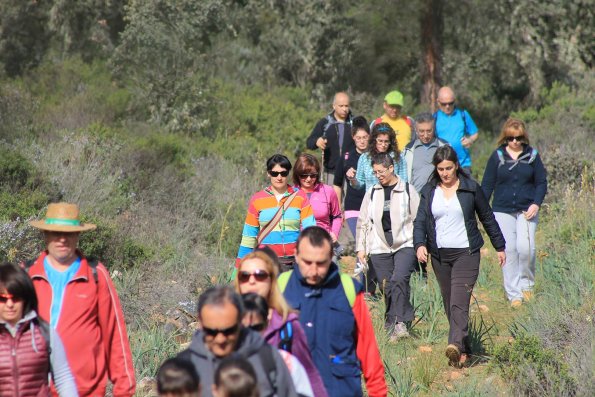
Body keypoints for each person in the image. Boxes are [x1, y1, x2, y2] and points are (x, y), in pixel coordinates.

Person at [27, 202, 136, 396]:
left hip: (84, 390)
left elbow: (115, 336)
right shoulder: (26, 275)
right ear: (45, 235)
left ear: (77, 235)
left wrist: (124, 389)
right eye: (55, 233)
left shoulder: (96, 275)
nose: (62, 239)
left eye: (68, 233)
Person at [413, 146, 505, 367]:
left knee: (459, 301)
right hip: (439, 255)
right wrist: (419, 244)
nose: (445, 173)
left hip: (467, 252)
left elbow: (487, 217)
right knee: (448, 303)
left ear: (456, 166)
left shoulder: (470, 188)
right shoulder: (429, 191)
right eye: (441, 169)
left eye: (449, 168)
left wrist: (500, 246)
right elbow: (420, 221)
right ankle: (464, 350)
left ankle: (454, 343)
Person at [279, 226, 387, 397]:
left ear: (331, 257)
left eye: (321, 263)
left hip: (340, 389)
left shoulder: (348, 289)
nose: (313, 271)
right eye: (307, 262)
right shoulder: (280, 288)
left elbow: (367, 349)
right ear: (296, 255)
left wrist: (378, 392)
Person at [234, 250, 327, 396]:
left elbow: (309, 373)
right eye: (244, 276)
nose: (252, 281)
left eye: (260, 275)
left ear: (271, 280)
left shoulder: (287, 325)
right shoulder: (225, 325)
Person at [177, 286, 297, 397]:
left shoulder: (267, 358)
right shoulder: (184, 366)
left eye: (229, 331)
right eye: (212, 332)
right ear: (200, 322)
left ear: (240, 320)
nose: (221, 339)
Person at [481, 118, 547, 307]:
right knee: (508, 249)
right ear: (505, 138)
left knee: (526, 247)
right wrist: (481, 209)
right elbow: (487, 185)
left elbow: (541, 182)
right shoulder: (497, 156)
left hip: (527, 209)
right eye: (511, 138)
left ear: (524, 137)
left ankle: (527, 285)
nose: (515, 142)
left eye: (518, 138)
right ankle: (514, 295)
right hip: (502, 209)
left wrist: (536, 203)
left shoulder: (532, 156)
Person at [356, 153, 420, 340]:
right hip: (379, 245)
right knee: (387, 285)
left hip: (405, 242)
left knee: (400, 279)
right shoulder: (373, 192)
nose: (378, 175)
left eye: (381, 171)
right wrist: (361, 248)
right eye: (375, 172)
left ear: (391, 168)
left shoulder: (408, 190)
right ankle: (391, 320)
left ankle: (400, 324)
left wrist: (421, 245)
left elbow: (418, 219)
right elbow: (363, 221)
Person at [0, 262, 78, 397]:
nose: (10, 304)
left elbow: (63, 379)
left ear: (26, 298)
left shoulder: (45, 333)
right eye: (3, 298)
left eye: (16, 298)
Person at [236, 154, 316, 270]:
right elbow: (249, 237)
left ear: (288, 173)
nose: (279, 177)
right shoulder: (257, 199)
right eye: (275, 173)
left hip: (295, 263)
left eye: (283, 173)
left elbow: (311, 230)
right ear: (268, 173)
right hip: (266, 263)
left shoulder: (300, 196)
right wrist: (238, 268)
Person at [241, 293, 314, 397]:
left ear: (267, 324)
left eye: (256, 328)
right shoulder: (222, 363)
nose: (250, 334)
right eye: (243, 329)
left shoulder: (287, 363)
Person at [306, 92, 355, 191]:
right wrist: (317, 141)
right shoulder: (325, 123)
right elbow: (309, 142)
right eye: (341, 106)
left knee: (349, 205)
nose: (344, 109)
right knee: (332, 204)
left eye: (346, 106)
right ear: (334, 106)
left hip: (351, 172)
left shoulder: (355, 123)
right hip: (331, 173)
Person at [333, 116, 370, 239]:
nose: (362, 141)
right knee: (361, 243)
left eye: (365, 137)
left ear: (369, 137)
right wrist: (338, 210)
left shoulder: (376, 157)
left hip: (373, 207)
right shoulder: (346, 158)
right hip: (353, 208)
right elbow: (337, 185)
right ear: (353, 137)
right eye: (358, 138)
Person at [293, 153, 342, 244]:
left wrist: (334, 233)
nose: (308, 179)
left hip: (324, 242)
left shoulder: (328, 191)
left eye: (312, 175)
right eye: (304, 175)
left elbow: (337, 216)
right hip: (298, 244)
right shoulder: (290, 194)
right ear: (297, 174)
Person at [351, 122, 408, 194]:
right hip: (372, 200)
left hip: (394, 199)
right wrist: (352, 179)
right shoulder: (365, 158)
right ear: (374, 140)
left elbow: (404, 182)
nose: (383, 145)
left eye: (386, 141)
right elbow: (358, 185)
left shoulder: (398, 157)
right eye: (380, 141)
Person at [433, 86, 479, 172]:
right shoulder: (434, 118)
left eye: (451, 103)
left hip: (464, 164)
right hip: (444, 166)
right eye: (444, 104)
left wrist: (470, 140)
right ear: (438, 102)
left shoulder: (463, 115)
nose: (448, 106)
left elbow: (475, 133)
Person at [402, 112, 448, 193]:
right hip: (416, 198)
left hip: (440, 197)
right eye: (422, 131)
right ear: (416, 130)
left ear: (434, 129)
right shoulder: (408, 149)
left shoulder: (445, 147)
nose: (426, 135)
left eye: (429, 131)